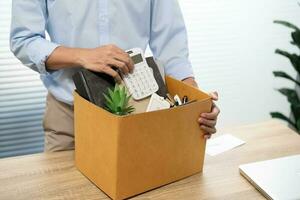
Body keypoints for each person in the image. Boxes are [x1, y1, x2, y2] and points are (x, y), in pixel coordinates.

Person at [10, 0, 220, 152]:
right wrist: (84, 56)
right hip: (69, 117)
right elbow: (23, 40)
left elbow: (172, 48)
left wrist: (193, 101)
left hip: (139, 113)